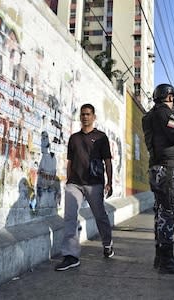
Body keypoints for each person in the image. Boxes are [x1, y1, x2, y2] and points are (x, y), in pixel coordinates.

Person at [55, 104, 114, 271]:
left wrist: (109, 182)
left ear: (94, 116)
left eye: (88, 114)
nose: (85, 117)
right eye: (82, 114)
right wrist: (68, 181)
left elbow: (108, 161)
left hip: (94, 183)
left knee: (100, 216)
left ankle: (107, 243)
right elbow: (70, 161)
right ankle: (71, 255)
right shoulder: (74, 138)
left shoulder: (101, 137)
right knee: (70, 218)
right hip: (75, 183)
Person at [142, 83, 174, 274]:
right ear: (169, 97)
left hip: (158, 167)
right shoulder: (163, 113)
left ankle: (160, 257)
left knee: (161, 212)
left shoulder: (150, 116)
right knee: (168, 212)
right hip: (168, 168)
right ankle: (166, 261)